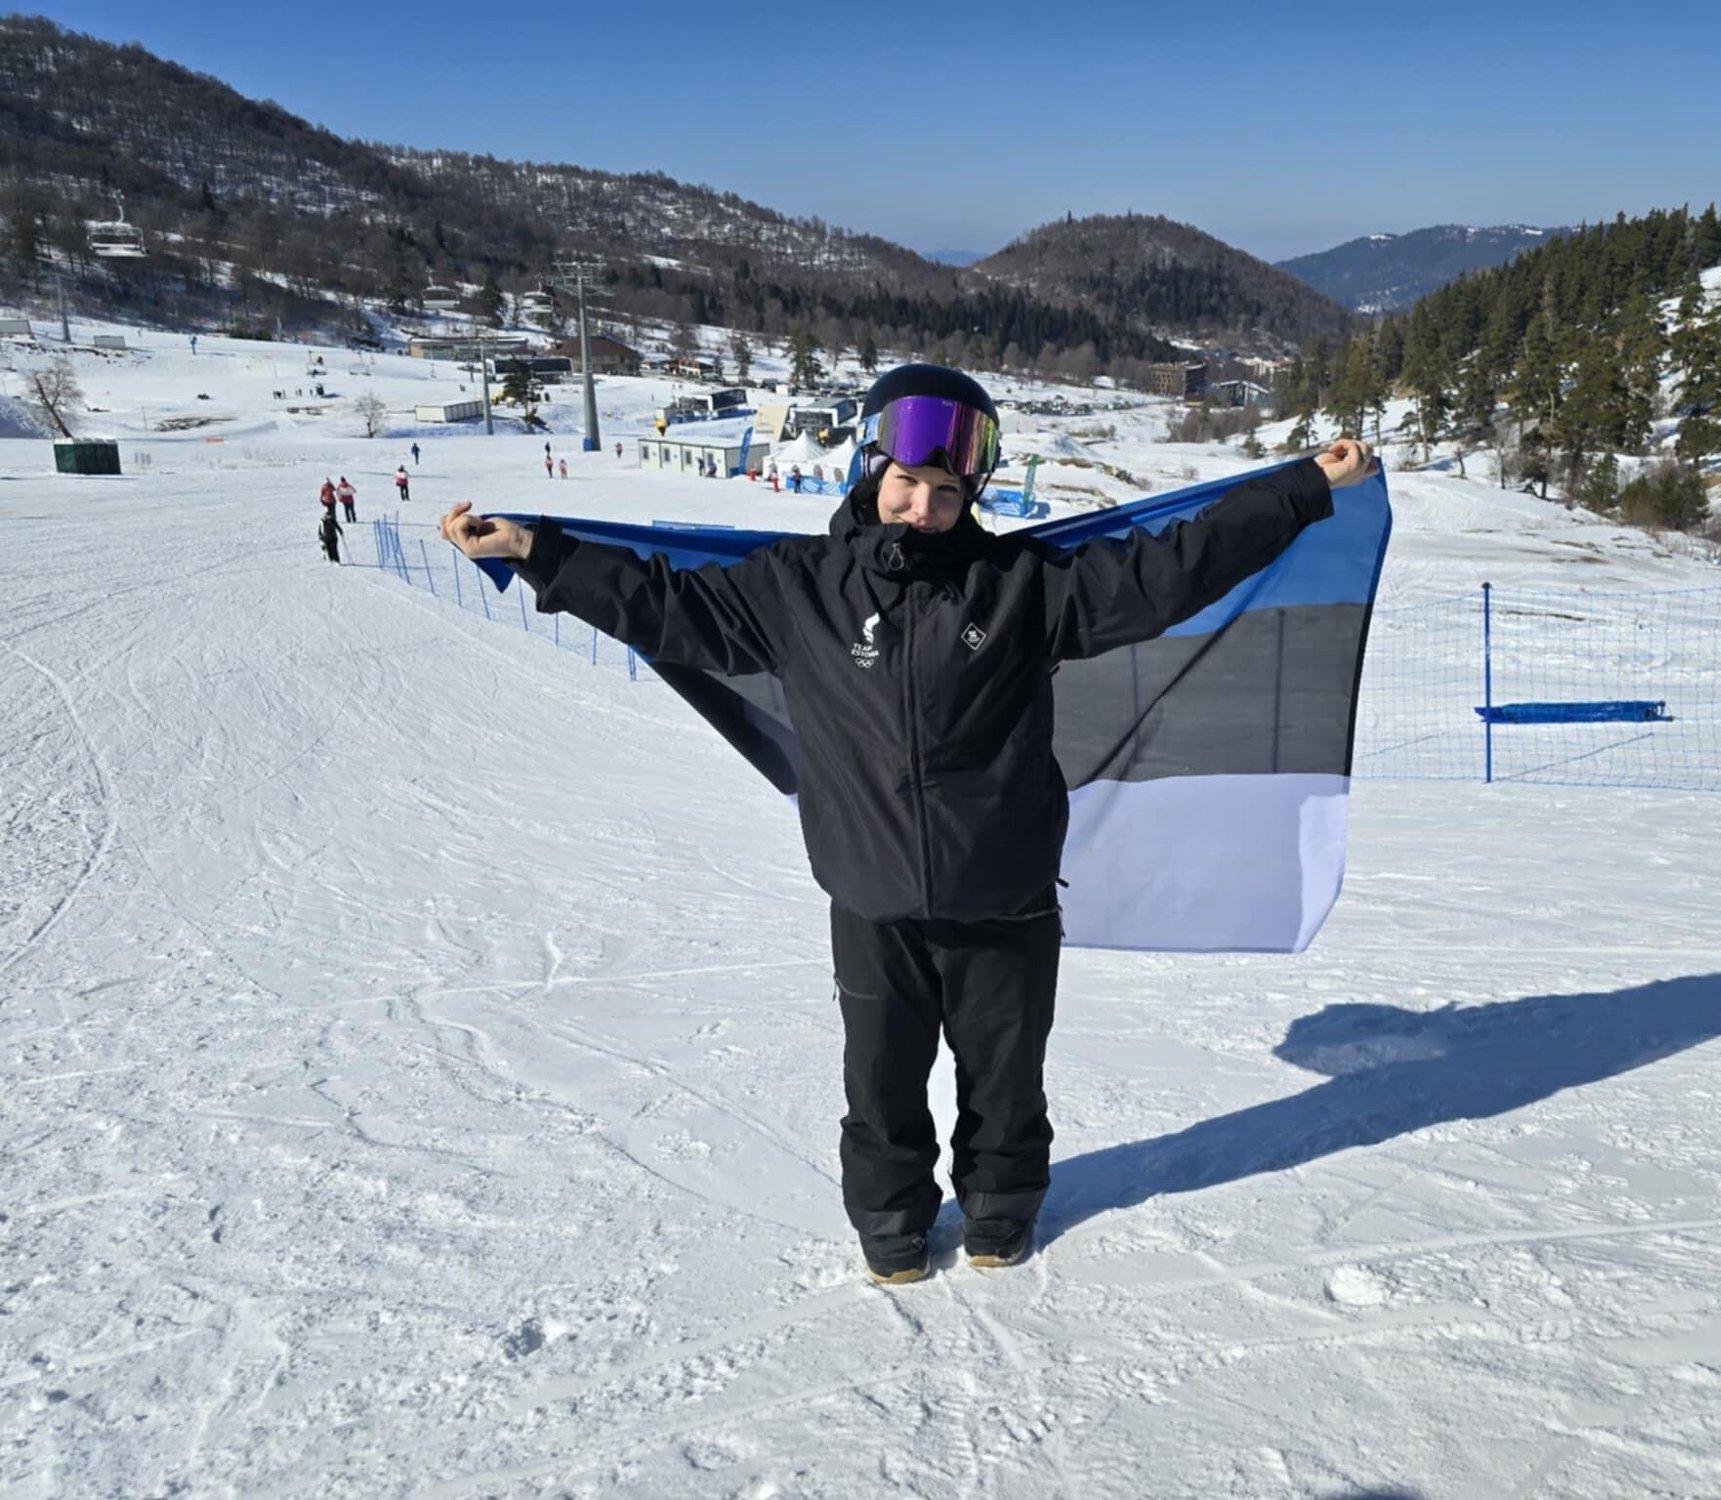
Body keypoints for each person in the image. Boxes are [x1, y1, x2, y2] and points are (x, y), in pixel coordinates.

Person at [436, 364, 1377, 1285]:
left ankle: (1001, 1213)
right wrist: (538, 551)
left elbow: (1170, 568)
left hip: (1003, 894)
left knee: (1005, 1081)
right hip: (872, 898)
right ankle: (890, 1226)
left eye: (943, 491)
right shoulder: (794, 588)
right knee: (881, 1086)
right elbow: (662, 601)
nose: (922, 507)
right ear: (869, 468)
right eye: (906, 483)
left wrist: (1300, 489)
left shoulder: (1025, 586)